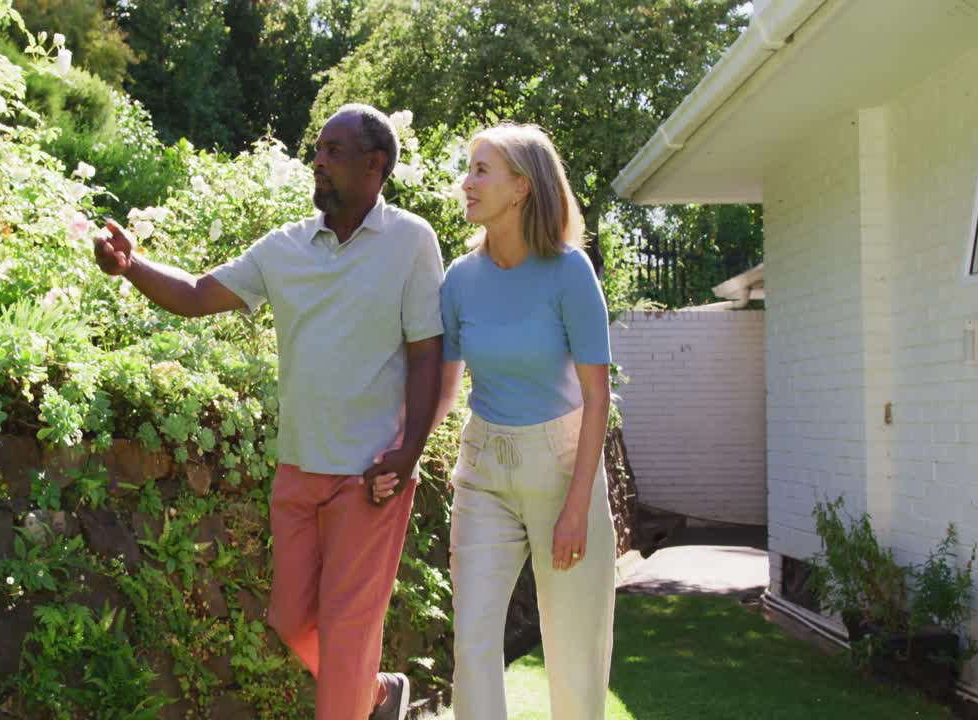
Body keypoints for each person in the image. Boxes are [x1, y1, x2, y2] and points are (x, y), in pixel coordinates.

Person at [94, 104, 444, 720]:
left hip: (372, 479)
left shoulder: (412, 242)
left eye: (334, 151)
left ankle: (354, 697)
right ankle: (378, 696)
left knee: (344, 635)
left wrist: (408, 452)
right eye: (317, 149)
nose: (318, 160)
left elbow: (426, 355)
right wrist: (130, 266)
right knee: (289, 621)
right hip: (298, 471)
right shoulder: (283, 248)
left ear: (374, 164)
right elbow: (199, 294)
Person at [373, 123, 614, 719]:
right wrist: (405, 449)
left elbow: (597, 394)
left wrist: (578, 505)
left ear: (522, 188)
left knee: (574, 650)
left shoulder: (569, 272)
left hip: (563, 471)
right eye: (469, 168)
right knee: (473, 641)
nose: (467, 181)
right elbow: (447, 382)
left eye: (483, 169)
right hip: (484, 470)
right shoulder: (460, 279)